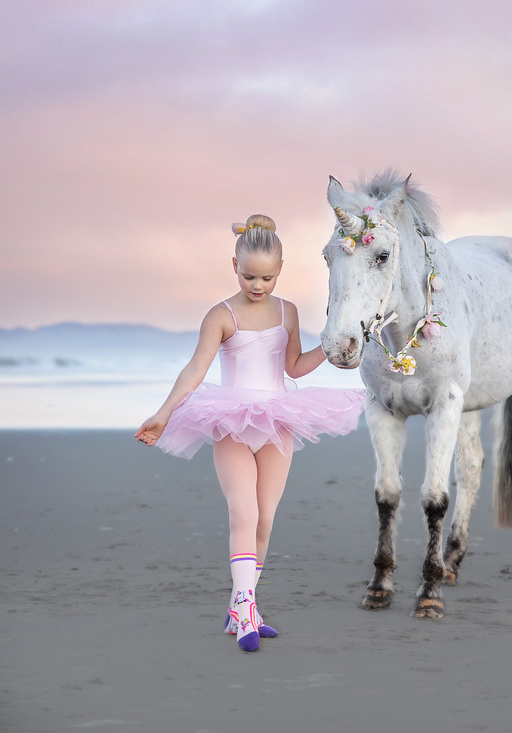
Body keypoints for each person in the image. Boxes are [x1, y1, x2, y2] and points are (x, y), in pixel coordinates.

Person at [135, 214, 363, 652]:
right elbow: (196, 369)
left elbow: (293, 367)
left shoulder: (287, 311)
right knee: (243, 513)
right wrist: (163, 413)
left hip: (279, 420)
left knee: (266, 517)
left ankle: (246, 607)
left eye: (267, 277)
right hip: (233, 421)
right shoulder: (221, 315)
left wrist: (330, 348)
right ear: (233, 265)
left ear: (281, 271)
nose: (258, 286)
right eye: (249, 276)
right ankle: (243, 608)